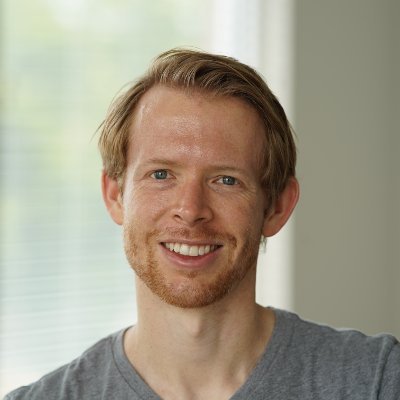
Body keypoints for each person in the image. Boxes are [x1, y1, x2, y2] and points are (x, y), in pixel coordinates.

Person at [5, 48, 400, 400]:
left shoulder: (377, 381)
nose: (191, 210)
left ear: (277, 207)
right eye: (161, 175)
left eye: (226, 180)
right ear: (114, 195)